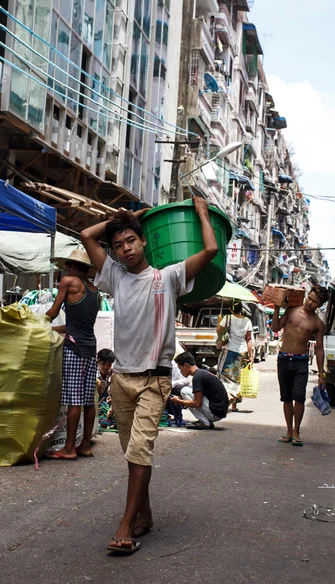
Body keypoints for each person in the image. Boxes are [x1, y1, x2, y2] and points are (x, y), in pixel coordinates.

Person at [81, 196, 218, 555]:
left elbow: (210, 249)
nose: (125, 249)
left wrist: (202, 212)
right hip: (122, 380)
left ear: (144, 242)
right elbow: (85, 235)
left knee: (140, 450)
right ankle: (145, 513)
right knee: (133, 454)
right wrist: (129, 218)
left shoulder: (168, 277)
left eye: (131, 241)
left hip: (154, 380)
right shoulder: (113, 277)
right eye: (118, 245)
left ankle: (125, 525)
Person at [45, 249, 100, 460]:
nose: (66, 269)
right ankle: (85, 445)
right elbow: (77, 326)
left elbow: (54, 311)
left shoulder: (68, 282)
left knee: (73, 400)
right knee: (88, 400)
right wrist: (54, 330)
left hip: (74, 349)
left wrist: (37, 322)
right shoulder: (95, 292)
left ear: (74, 266)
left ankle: (68, 448)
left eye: (68, 265)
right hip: (89, 348)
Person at [272, 285, 328, 447]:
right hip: (283, 359)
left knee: (300, 398)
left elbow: (319, 349)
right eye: (309, 298)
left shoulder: (318, 323)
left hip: (301, 362)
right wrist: (277, 309)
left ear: (320, 305)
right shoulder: (291, 310)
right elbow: (275, 328)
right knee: (286, 398)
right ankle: (289, 431)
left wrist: (320, 374)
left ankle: (297, 432)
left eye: (315, 301)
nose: (310, 302)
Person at [172, 352, 228, 429]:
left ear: (186, 365)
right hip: (219, 411)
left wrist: (179, 401)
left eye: (180, 369)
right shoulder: (202, 373)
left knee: (184, 391)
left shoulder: (197, 377)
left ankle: (204, 422)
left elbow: (197, 403)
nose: (180, 372)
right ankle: (207, 421)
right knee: (190, 389)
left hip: (215, 413)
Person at [216, 299, 253, 411]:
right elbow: (249, 340)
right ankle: (234, 405)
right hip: (242, 352)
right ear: (241, 308)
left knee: (223, 375)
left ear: (231, 308)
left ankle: (226, 397)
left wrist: (219, 322)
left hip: (228, 350)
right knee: (237, 378)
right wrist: (251, 356)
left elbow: (219, 331)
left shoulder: (227, 318)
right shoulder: (247, 321)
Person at [97, 349, 117, 430]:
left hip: (104, 397)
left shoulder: (111, 373)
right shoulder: (93, 373)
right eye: (103, 364)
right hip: (94, 397)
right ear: (98, 362)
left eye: (109, 365)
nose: (106, 367)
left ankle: (108, 419)